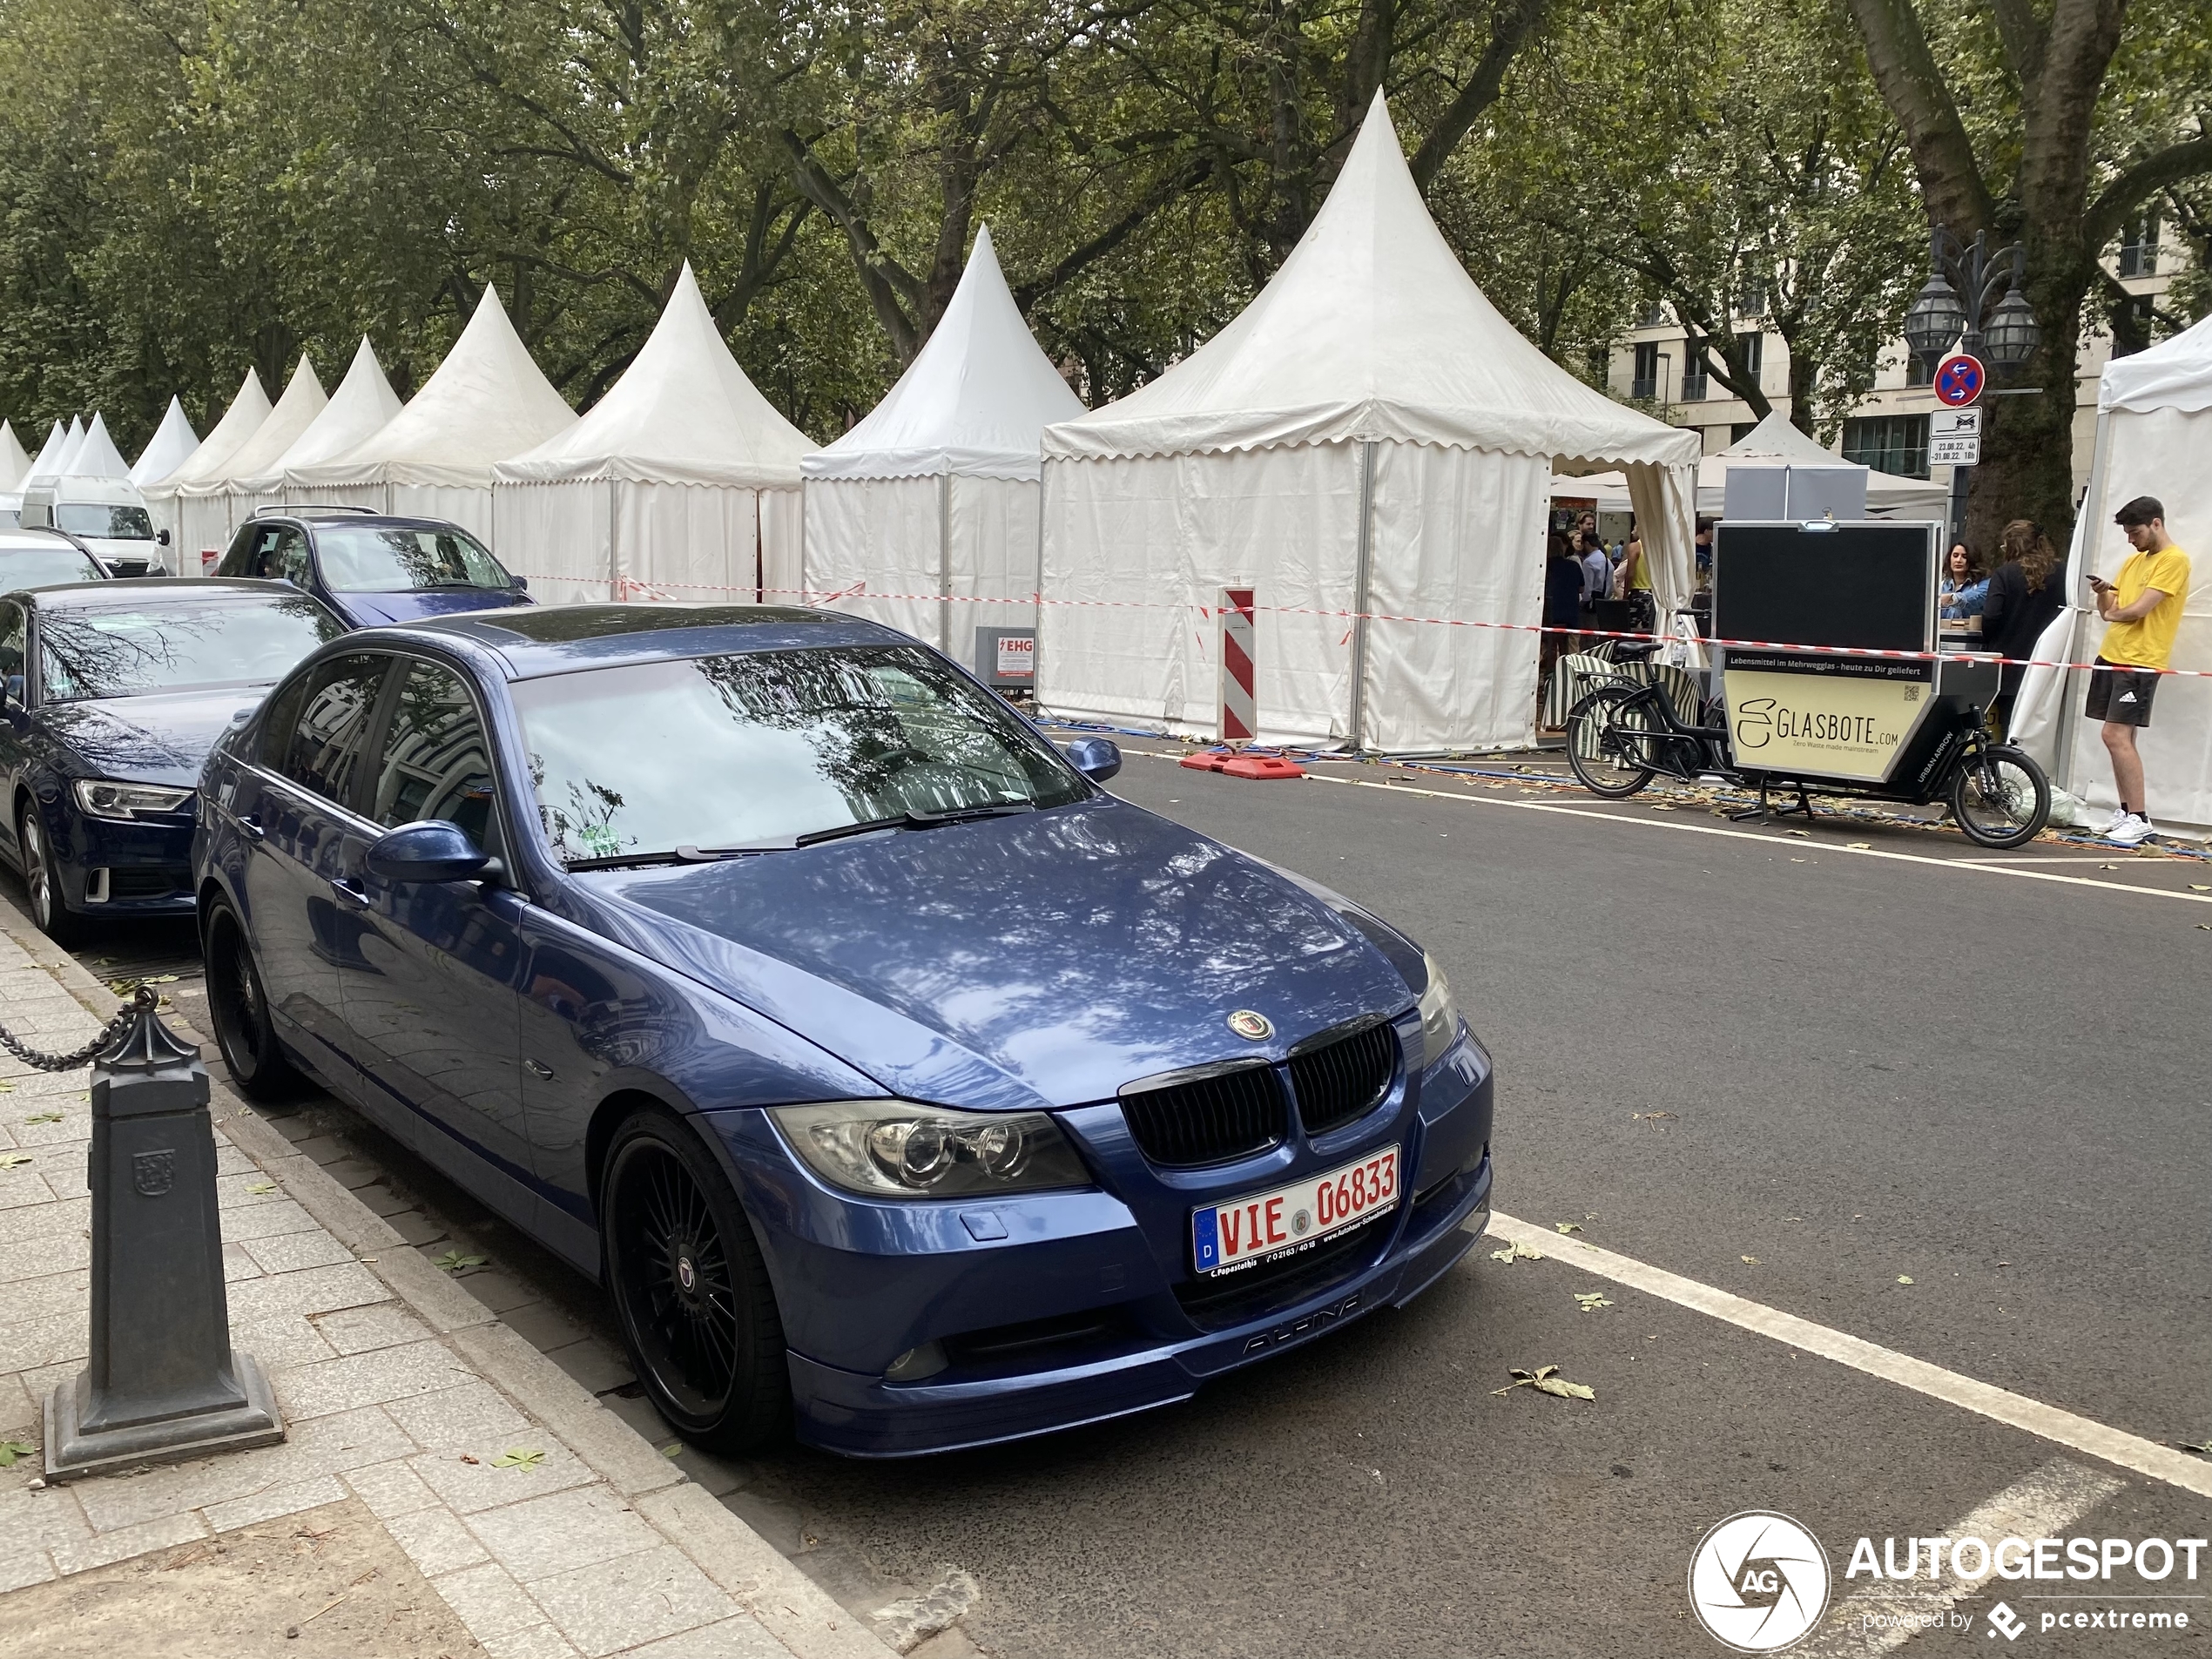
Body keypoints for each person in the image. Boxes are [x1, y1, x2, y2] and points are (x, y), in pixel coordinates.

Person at [2084, 496, 2190, 846]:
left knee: (2114, 735)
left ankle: (2140, 817)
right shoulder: (2133, 562)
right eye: (2128, 533)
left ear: (2156, 524)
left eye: (2136, 532)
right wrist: (2102, 593)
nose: (2131, 539)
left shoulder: (2174, 560)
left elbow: (2140, 609)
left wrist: (2113, 612)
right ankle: (2128, 811)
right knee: (2120, 737)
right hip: (2113, 654)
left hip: (2141, 660)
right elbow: (2110, 608)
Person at [1979, 519, 2064, 738]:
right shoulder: (2063, 573)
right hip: (2050, 664)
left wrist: (1989, 639)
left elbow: (1991, 615)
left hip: (2009, 663)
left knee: (2009, 730)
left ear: (2012, 546)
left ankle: (2008, 770)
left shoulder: (2005, 574)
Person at [1541, 532, 1585, 700]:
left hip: (1551, 615)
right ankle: (1571, 683)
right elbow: (1582, 589)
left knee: (1550, 650)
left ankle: (1549, 682)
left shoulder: (1545, 567)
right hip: (1571, 614)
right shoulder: (1574, 566)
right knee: (1570, 651)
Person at [1619, 517, 1655, 636]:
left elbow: (1630, 574)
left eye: (1634, 528)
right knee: (1649, 631)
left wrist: (1625, 595)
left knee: (1630, 630)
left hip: (1638, 593)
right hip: (1654, 595)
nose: (1632, 532)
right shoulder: (1657, 548)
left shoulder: (1635, 547)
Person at [1938, 542, 1988, 621]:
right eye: (1955, 555)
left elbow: (1979, 597)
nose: (1958, 560)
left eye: (1964, 556)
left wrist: (1952, 598)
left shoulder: (1983, 584)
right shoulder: (1941, 586)